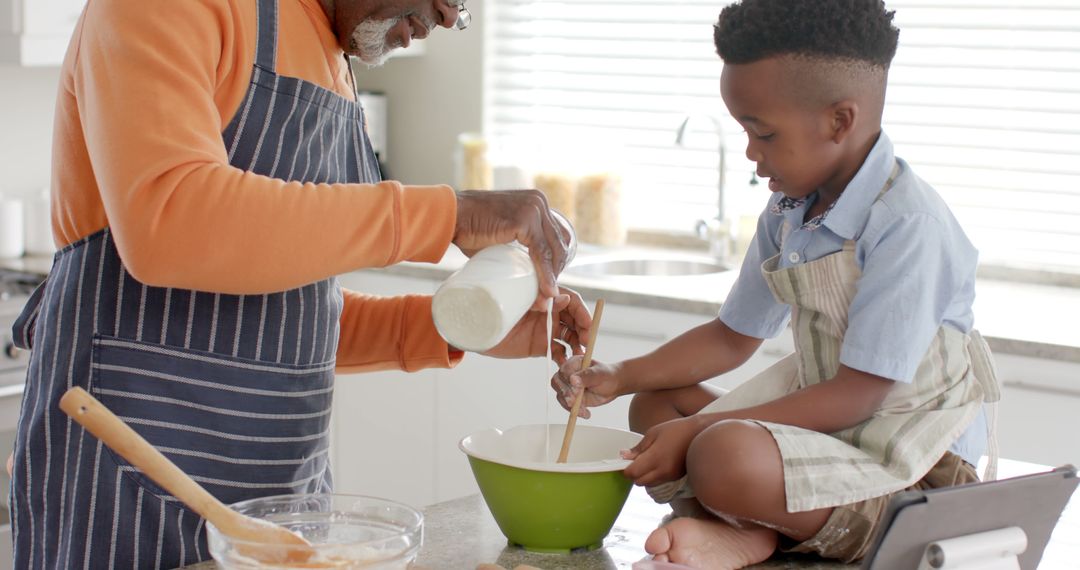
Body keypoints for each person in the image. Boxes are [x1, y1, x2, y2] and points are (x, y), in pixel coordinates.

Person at [7, 0, 592, 567]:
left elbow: (288, 319)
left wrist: (446, 325)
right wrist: (448, 216)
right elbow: (170, 222)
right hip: (125, 490)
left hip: (283, 502)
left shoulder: (330, 53)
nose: (446, 14)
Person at [551, 1, 1000, 568]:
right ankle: (750, 528)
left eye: (762, 132)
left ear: (840, 120)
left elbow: (860, 394)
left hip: (912, 461)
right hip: (831, 436)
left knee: (719, 451)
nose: (750, 152)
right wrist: (617, 375)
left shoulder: (910, 225)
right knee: (657, 405)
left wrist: (699, 432)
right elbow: (730, 337)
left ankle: (751, 521)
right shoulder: (791, 212)